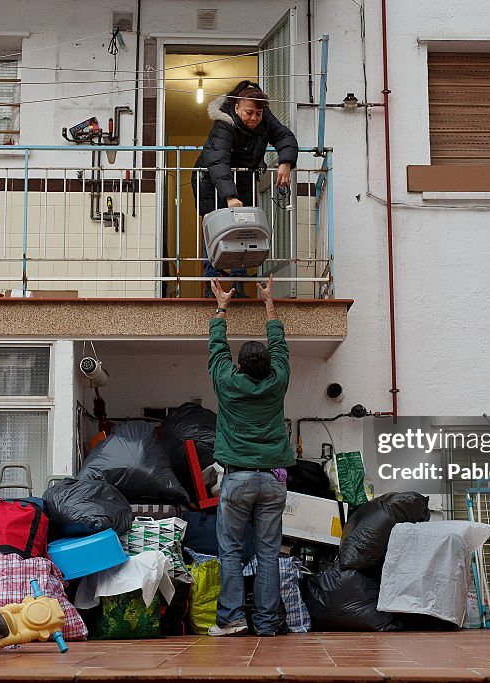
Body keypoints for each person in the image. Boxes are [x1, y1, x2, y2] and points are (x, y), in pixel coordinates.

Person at [206, 274, 293, 637]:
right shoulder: (278, 380)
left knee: (230, 552)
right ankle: (268, 623)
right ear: (269, 365)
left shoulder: (227, 380)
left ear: (240, 365)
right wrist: (268, 301)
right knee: (269, 553)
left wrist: (221, 307)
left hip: (238, 479)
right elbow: (280, 344)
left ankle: (232, 620)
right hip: (272, 481)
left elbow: (217, 347)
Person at [194, 81, 299, 296]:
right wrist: (230, 196)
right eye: (249, 113)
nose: (254, 118)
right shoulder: (224, 124)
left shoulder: (264, 118)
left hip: (243, 180)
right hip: (210, 181)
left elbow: (284, 136)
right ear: (236, 108)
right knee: (215, 229)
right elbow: (217, 161)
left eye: (258, 114)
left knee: (242, 230)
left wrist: (285, 162)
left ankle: (237, 284)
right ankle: (211, 285)